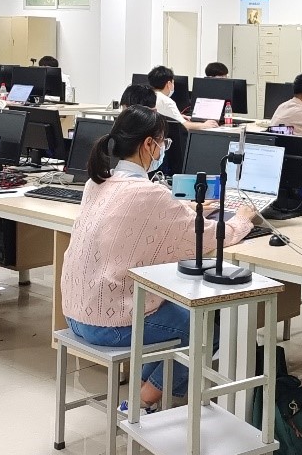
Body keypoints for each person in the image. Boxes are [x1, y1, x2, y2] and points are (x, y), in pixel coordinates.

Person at [61, 106, 258, 411]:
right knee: (204, 330)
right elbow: (208, 237)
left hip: (74, 312)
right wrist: (242, 218)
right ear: (149, 144)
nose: (164, 149)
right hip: (106, 323)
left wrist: (186, 209)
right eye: (163, 142)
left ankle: (144, 387)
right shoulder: (150, 194)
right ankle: (141, 402)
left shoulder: (96, 183)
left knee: (174, 313)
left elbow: (146, 219)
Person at [148, 65, 216, 132]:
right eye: (173, 83)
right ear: (169, 84)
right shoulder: (167, 101)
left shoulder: (148, 96)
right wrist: (204, 125)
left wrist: (178, 117)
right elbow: (184, 126)